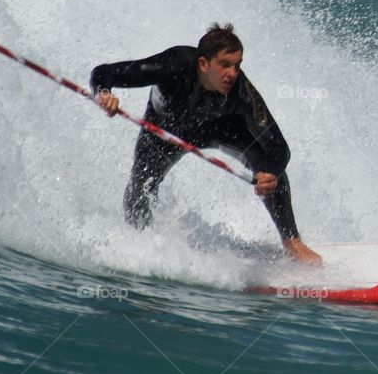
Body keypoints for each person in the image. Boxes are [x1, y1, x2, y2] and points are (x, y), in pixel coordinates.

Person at [90, 24, 322, 265]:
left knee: (268, 164)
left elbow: (279, 145)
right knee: (141, 185)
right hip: (163, 134)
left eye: (237, 65)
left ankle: (292, 242)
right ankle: (138, 237)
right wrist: (103, 93)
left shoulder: (241, 91)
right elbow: (105, 72)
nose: (232, 73)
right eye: (224, 65)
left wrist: (270, 173)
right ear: (203, 63)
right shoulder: (173, 64)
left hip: (218, 130)